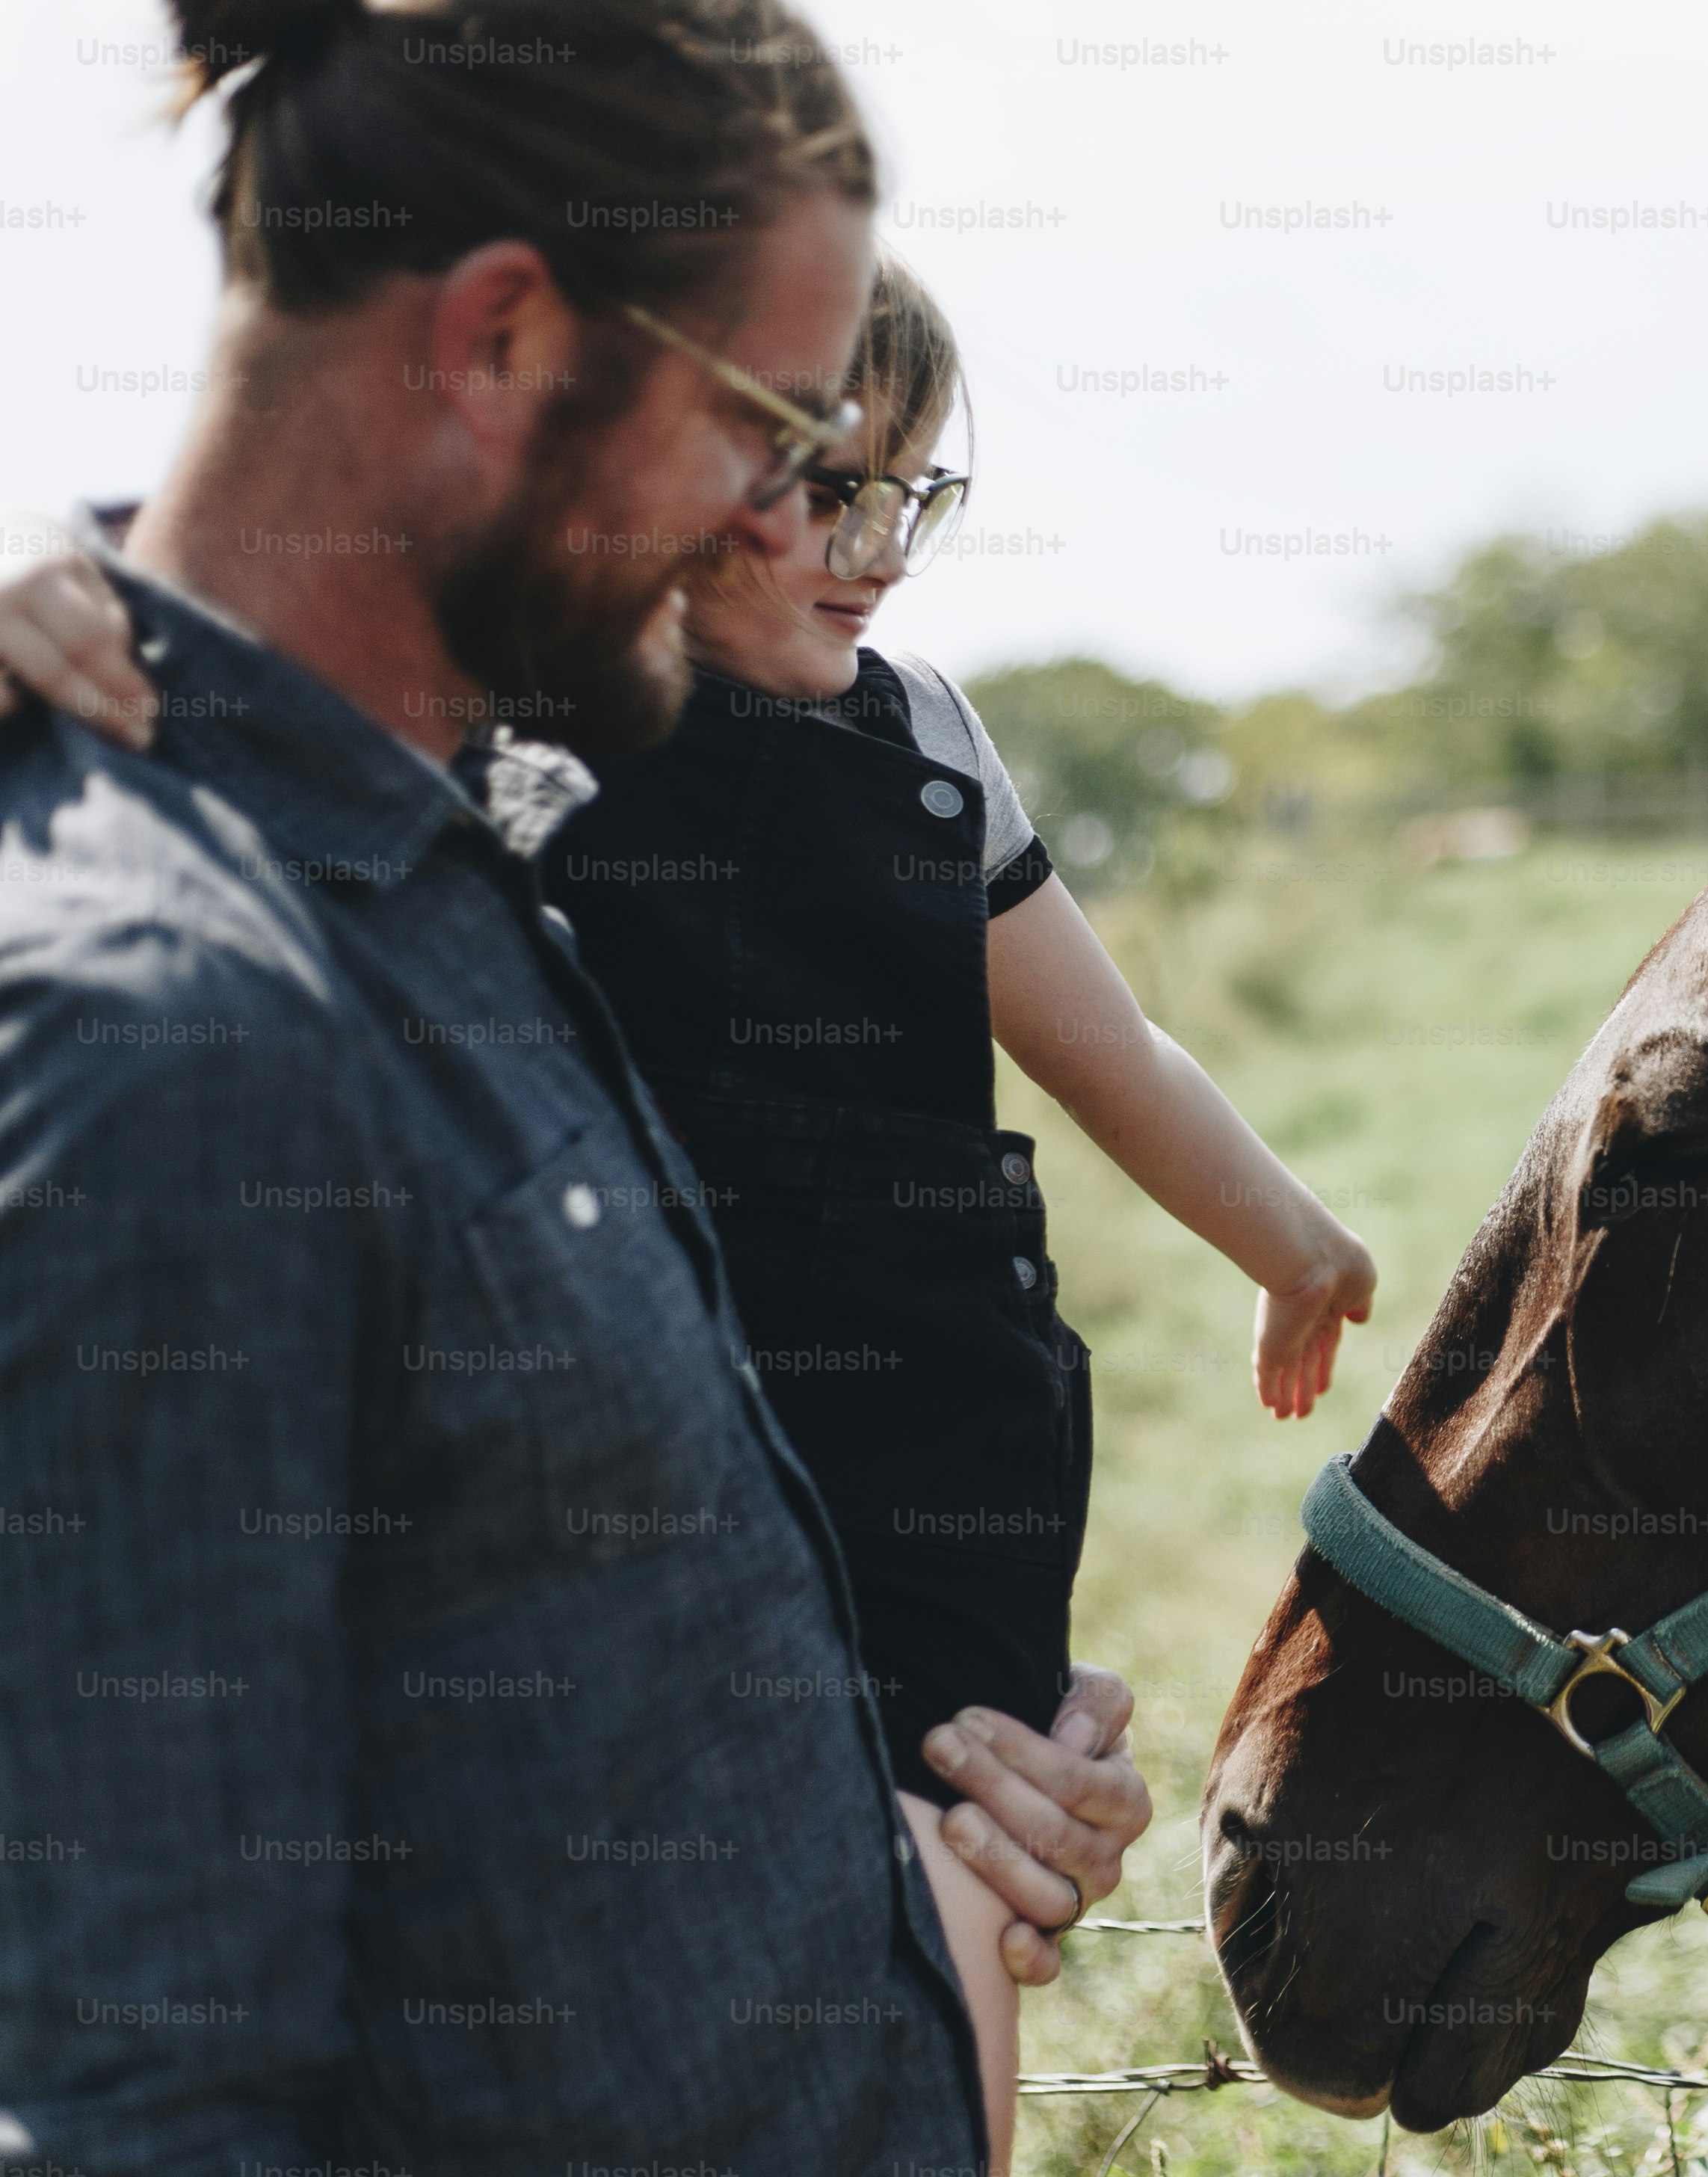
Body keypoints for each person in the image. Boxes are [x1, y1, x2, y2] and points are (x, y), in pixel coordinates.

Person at [0, 1, 1129, 2167]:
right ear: (508, 339)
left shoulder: (467, 851)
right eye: (772, 425)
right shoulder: (170, 1034)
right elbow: (133, 2094)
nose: (784, 515)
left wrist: (897, 1850)